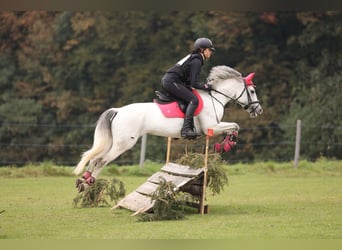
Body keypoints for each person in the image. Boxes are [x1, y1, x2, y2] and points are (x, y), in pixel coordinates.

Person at [161, 37, 215, 139]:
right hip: (172, 82)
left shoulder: (195, 58)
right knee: (194, 100)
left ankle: (178, 127)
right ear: (201, 50)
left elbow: (189, 81)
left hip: (171, 81)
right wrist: (206, 86)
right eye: (209, 50)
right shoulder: (197, 61)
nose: (210, 52)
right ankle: (185, 130)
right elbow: (193, 83)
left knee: (189, 96)